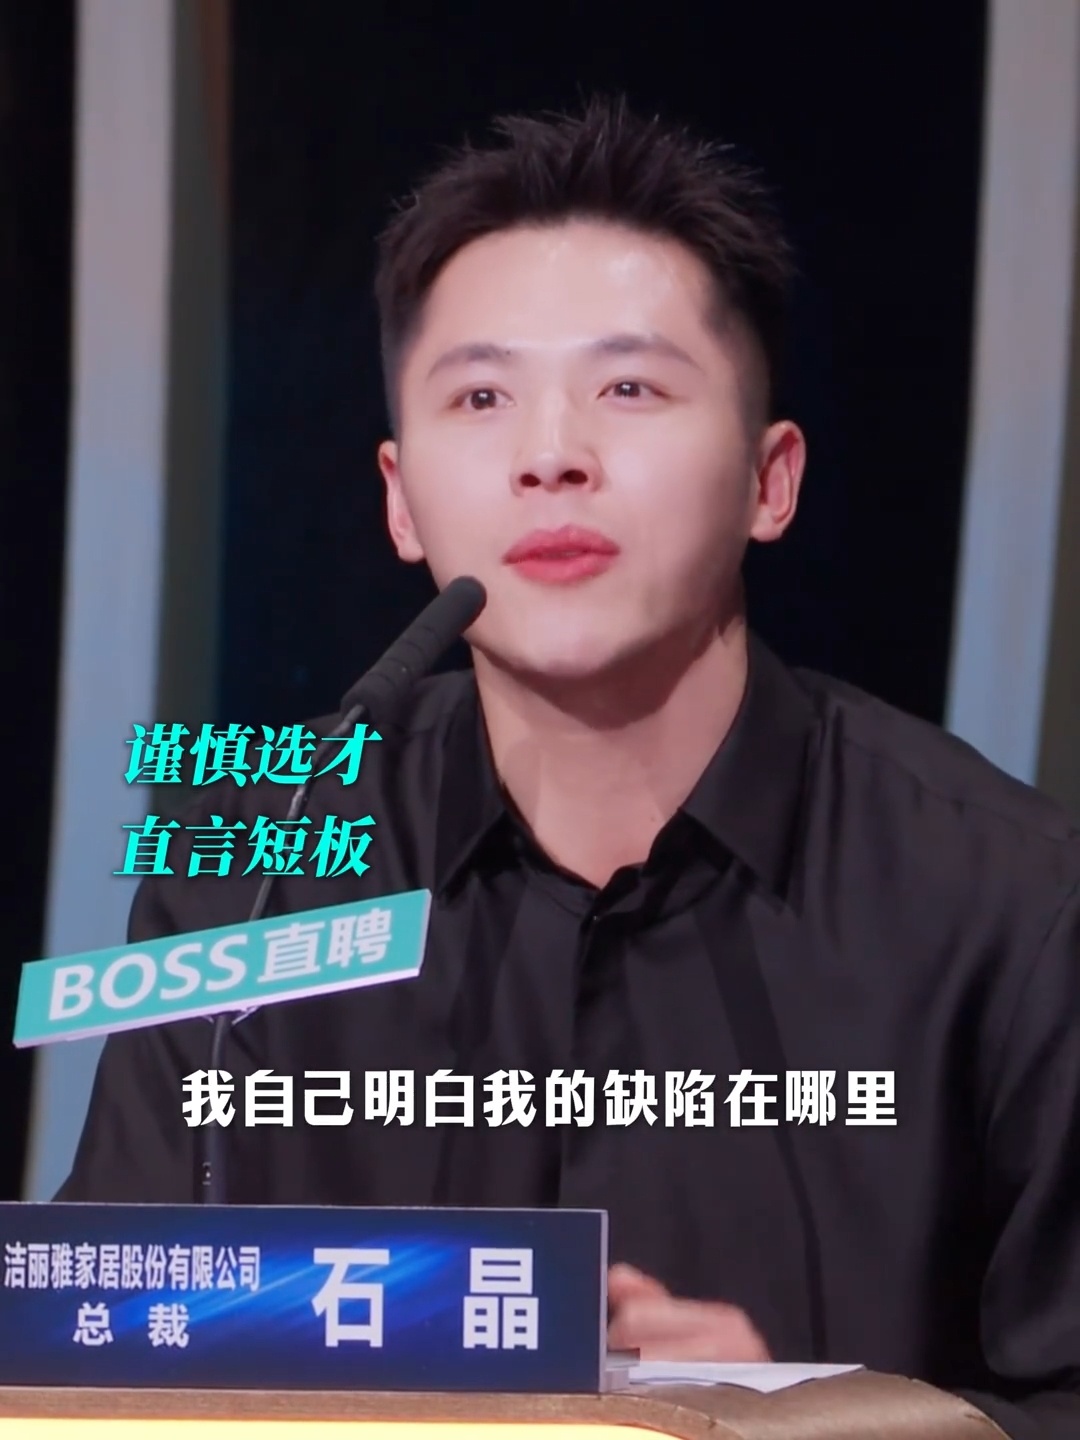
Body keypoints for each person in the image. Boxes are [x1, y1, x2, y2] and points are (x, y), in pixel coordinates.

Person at [60, 97, 1079, 1437]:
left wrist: (827, 1417)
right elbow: (100, 1330)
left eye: (629, 388)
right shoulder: (254, 879)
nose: (551, 457)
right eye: (481, 398)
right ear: (400, 499)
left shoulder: (1009, 906)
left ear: (770, 480)